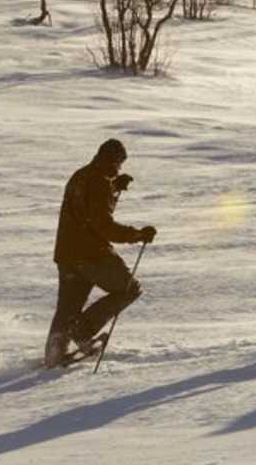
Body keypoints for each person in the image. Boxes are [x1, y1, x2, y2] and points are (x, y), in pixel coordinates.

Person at [44, 138, 156, 367]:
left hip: (67, 253)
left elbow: (88, 207)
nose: (119, 169)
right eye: (119, 164)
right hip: (91, 253)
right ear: (113, 160)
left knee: (68, 307)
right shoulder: (99, 182)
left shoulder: (81, 175)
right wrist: (137, 235)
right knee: (129, 288)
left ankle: (54, 354)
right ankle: (83, 331)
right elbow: (103, 225)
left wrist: (114, 188)